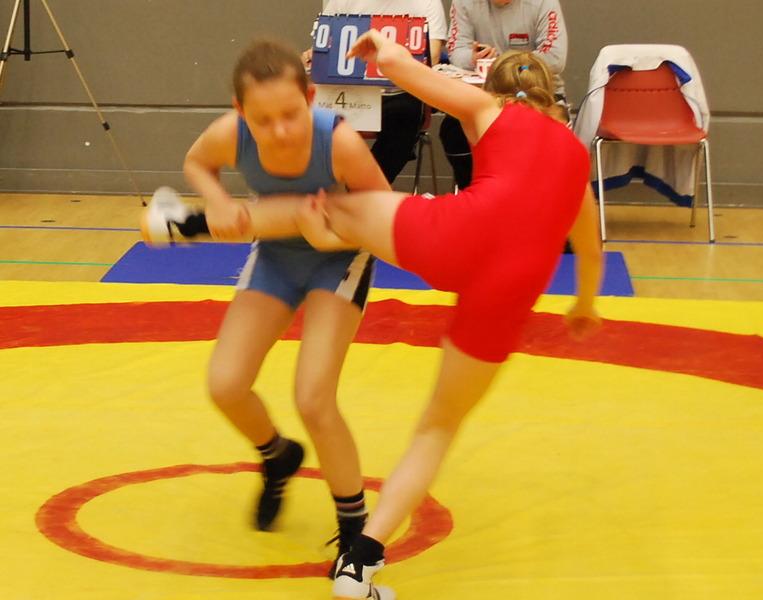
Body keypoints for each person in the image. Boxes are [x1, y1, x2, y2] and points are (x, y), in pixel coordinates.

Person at [144, 30, 603, 600]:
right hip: (510, 288)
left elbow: (408, 74)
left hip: (454, 236)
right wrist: (584, 306)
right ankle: (359, 562)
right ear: (557, 105)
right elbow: (590, 250)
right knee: (437, 428)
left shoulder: (489, 109)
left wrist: (381, 48)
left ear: (498, 91)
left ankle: (191, 225)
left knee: (331, 209)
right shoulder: (577, 163)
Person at [142, 38, 391, 576]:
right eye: (262, 120)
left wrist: (326, 232)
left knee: (314, 398)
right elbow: (197, 162)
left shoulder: (339, 142)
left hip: (338, 259)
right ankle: (278, 455)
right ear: (240, 111)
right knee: (226, 384)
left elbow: (384, 213)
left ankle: (354, 533)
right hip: (277, 256)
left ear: (312, 97)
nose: (279, 131)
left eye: (290, 115)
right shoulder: (229, 133)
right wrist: (218, 200)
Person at [304, 0, 448, 185]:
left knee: (405, 115)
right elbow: (325, 43)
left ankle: (364, 188)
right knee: (313, 115)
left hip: (399, 92)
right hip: (348, 90)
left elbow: (431, 57)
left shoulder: (428, 3)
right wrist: (313, 55)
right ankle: (319, 186)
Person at [442, 0, 568, 190]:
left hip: (537, 92)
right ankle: (475, 193)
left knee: (534, 129)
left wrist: (503, 64)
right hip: (484, 94)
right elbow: (457, 51)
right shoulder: (464, 3)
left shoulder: (544, 3)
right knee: (452, 130)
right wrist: (473, 58)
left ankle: (529, 195)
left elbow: (555, 58)